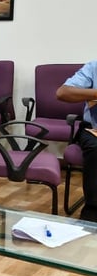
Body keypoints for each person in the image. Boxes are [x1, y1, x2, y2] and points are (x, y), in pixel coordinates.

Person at [56, 63, 97, 222]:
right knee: (95, 147)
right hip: (93, 127)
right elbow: (62, 93)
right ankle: (93, 212)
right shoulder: (94, 67)